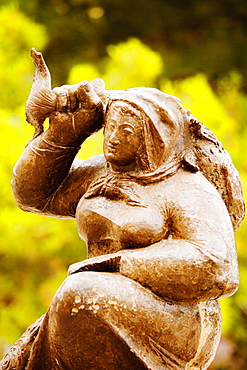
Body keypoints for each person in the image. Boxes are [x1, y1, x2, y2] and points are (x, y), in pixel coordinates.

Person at [1, 50, 245, 370]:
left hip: (175, 320)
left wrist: (121, 262)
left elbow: (217, 267)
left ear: (152, 139)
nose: (112, 139)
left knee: (79, 295)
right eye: (110, 127)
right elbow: (34, 195)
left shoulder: (188, 189)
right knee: (78, 297)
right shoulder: (104, 172)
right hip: (99, 297)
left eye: (126, 132)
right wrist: (64, 135)